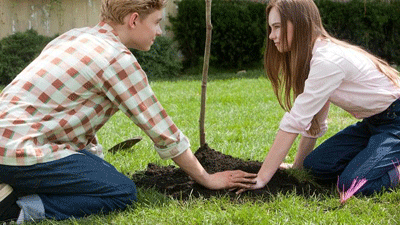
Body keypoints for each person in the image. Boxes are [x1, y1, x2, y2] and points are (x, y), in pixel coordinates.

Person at [0, 0, 257, 223]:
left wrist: (94, 159)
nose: (159, 30)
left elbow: (75, 112)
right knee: (121, 191)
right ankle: (15, 209)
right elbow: (163, 132)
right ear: (134, 20)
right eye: (156, 22)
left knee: (96, 170)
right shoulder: (116, 58)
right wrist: (207, 178)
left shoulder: (73, 37)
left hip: (9, 142)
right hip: (21, 151)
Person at [238, 0, 400, 197]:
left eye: (277, 27)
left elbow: (295, 121)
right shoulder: (316, 58)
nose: (271, 35)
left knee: (351, 185)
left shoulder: (327, 60)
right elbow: (315, 120)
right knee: (315, 167)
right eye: (270, 28)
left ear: (299, 23)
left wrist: (262, 177)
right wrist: (297, 167)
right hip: (373, 123)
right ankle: (374, 157)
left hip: (396, 122)